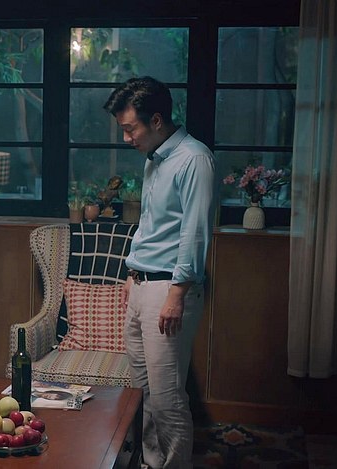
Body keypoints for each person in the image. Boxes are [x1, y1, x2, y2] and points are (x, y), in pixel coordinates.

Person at [103, 76, 216, 469]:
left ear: (155, 120)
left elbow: (195, 233)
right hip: (141, 285)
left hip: (169, 289)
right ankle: (151, 463)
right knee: (143, 392)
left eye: (130, 128)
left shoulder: (194, 159)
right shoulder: (155, 158)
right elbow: (153, 226)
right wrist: (131, 275)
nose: (126, 138)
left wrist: (176, 295)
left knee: (167, 398)